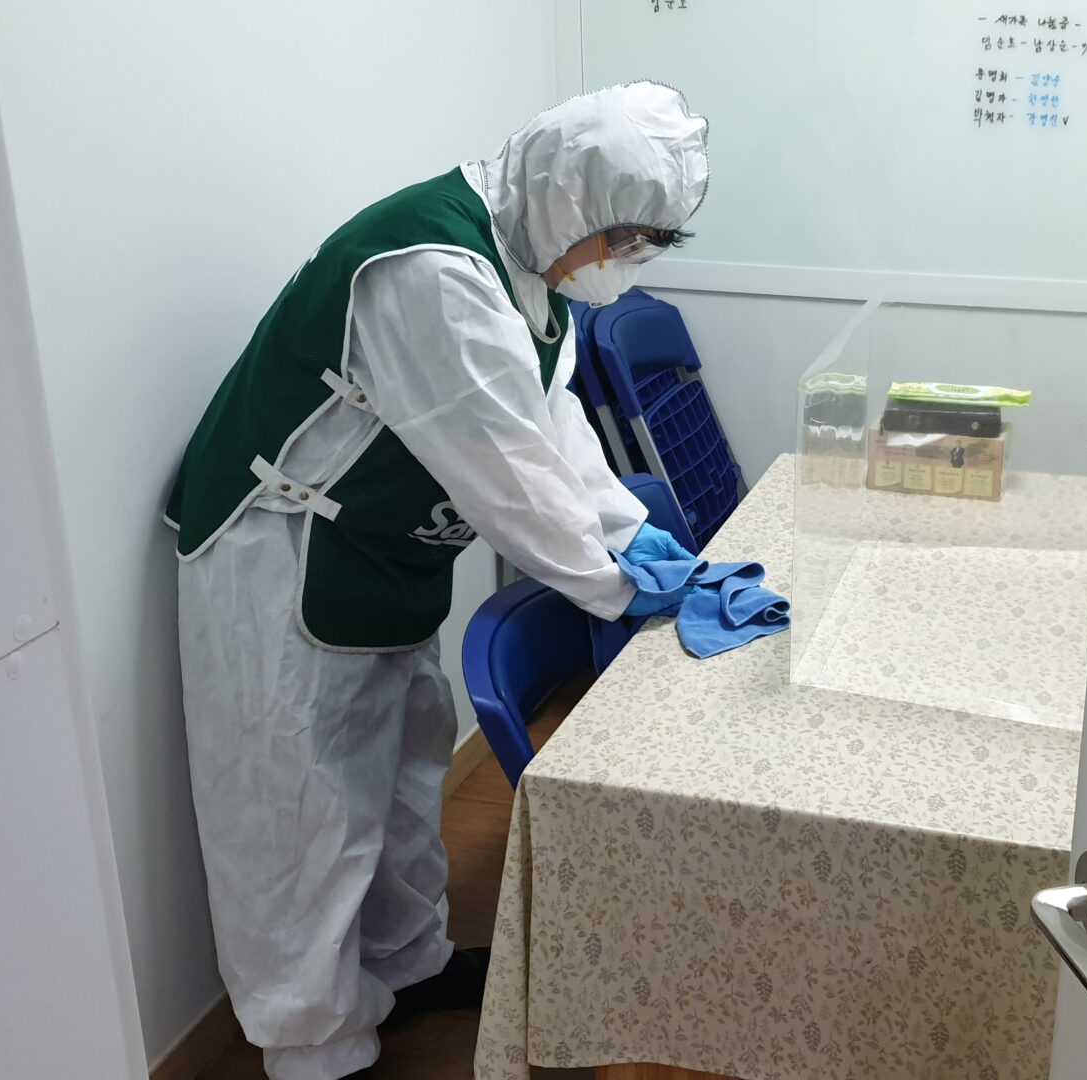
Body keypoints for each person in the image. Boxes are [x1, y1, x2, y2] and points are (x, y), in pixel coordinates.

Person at [162, 82, 710, 1080]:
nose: (623, 263)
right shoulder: (433, 270)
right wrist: (619, 586)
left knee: (407, 769)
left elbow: (553, 431)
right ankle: (315, 1047)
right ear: (571, 196)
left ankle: (408, 966)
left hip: (380, 548)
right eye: (622, 239)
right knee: (300, 816)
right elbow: (506, 476)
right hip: (283, 554)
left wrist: (637, 538)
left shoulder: (529, 259)